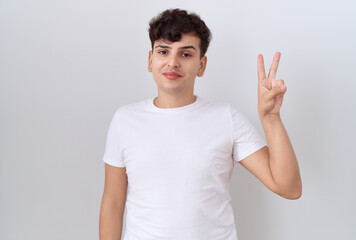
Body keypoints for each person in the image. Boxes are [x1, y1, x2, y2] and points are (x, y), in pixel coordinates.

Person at [99, 8, 302, 240]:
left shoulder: (227, 118)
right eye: (163, 51)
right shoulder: (125, 120)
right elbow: (113, 203)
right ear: (150, 59)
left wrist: (271, 119)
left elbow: (289, 188)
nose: (172, 62)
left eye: (185, 54)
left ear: (201, 65)